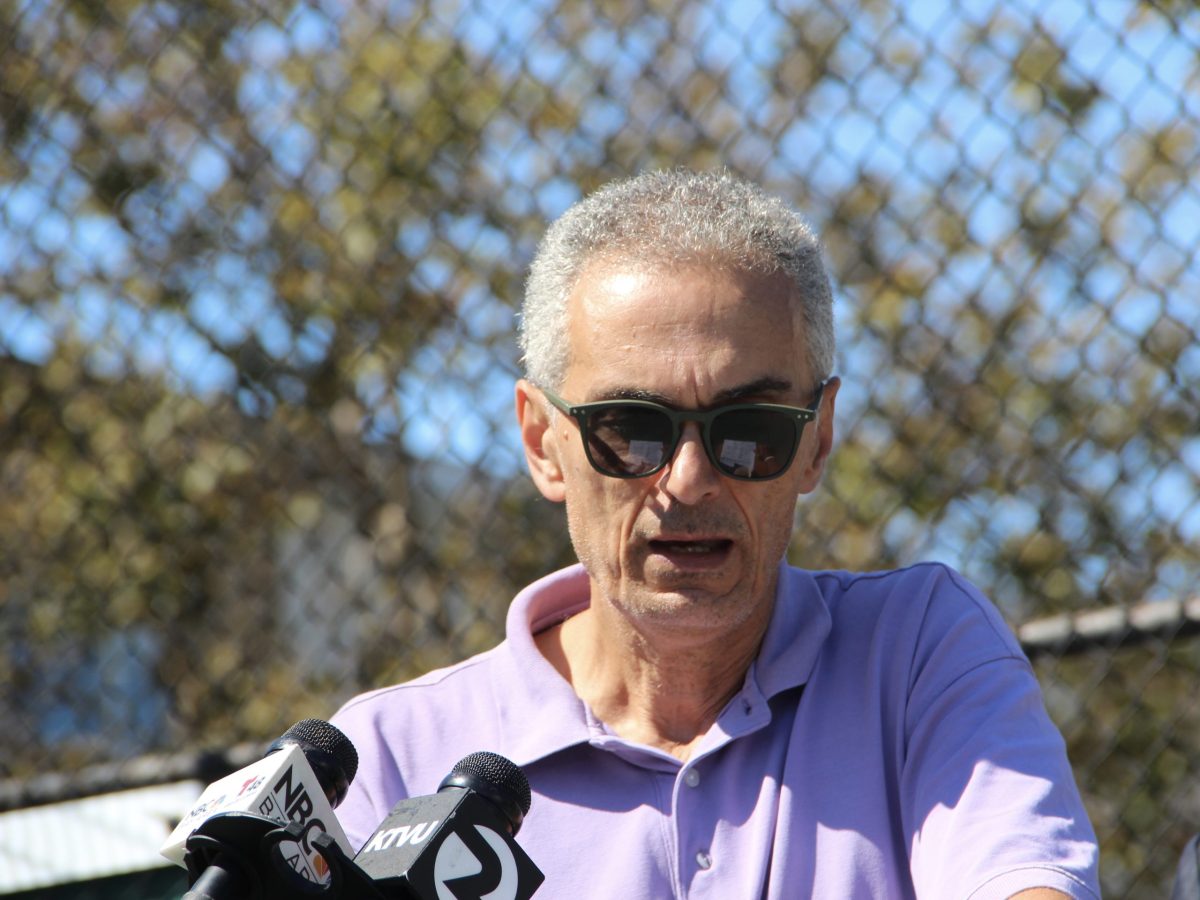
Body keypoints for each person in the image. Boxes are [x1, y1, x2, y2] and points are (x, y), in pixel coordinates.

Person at [331, 169, 1100, 898]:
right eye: (631, 430)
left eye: (750, 430)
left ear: (818, 441)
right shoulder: (388, 760)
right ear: (542, 442)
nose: (690, 479)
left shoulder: (916, 656)